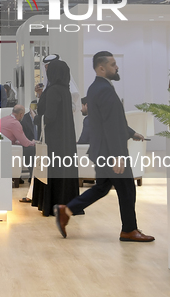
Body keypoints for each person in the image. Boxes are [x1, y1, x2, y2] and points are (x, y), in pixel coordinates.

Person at [53, 51, 154, 242]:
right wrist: (118, 155)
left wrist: (132, 133)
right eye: (113, 64)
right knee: (127, 190)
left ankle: (66, 210)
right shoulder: (104, 89)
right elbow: (110, 124)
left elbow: (112, 120)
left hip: (102, 150)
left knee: (101, 188)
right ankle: (129, 230)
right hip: (110, 151)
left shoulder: (95, 88)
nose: (116, 67)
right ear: (102, 68)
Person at [31, 59, 79, 217]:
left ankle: (52, 203)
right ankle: (67, 203)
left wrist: (37, 118)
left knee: (52, 170)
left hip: (53, 139)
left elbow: (49, 116)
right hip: (65, 138)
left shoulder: (52, 91)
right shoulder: (65, 90)